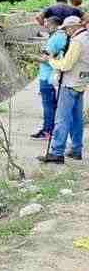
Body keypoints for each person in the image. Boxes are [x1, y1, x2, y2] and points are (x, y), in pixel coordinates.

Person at [39, 16, 89, 163]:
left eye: (66, 29)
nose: (66, 32)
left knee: (62, 119)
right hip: (81, 83)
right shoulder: (87, 38)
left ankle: (57, 152)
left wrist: (51, 61)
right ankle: (76, 149)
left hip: (69, 83)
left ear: (72, 27)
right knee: (76, 119)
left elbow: (66, 65)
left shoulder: (77, 41)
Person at [31, 16, 69, 140]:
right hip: (55, 76)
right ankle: (50, 129)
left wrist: (32, 57)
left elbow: (47, 59)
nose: (45, 25)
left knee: (48, 105)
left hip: (47, 76)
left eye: (47, 23)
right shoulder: (64, 37)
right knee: (53, 105)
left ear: (54, 25)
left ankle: (48, 131)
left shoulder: (54, 39)